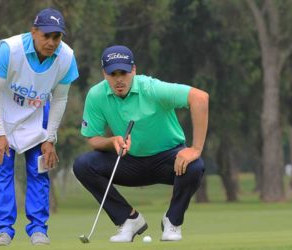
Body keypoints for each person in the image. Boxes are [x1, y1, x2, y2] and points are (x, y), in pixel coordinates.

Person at [73, 45, 209, 242]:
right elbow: (92, 138)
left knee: (195, 166)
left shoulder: (151, 88)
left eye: (124, 73)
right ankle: (128, 220)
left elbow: (200, 98)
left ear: (134, 70)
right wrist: (112, 141)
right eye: (113, 74)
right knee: (83, 165)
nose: (119, 79)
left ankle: (173, 221)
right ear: (104, 74)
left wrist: (195, 149)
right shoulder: (96, 95)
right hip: (129, 162)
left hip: (168, 160)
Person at [0, 8, 79, 246]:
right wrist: (0, 134)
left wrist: (50, 137)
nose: (51, 42)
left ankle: (38, 229)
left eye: (56, 37)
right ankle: (3, 230)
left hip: (38, 114)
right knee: (3, 171)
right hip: (3, 113)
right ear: (33, 31)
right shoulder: (10, 49)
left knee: (40, 170)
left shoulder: (66, 57)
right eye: (46, 35)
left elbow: (60, 99)